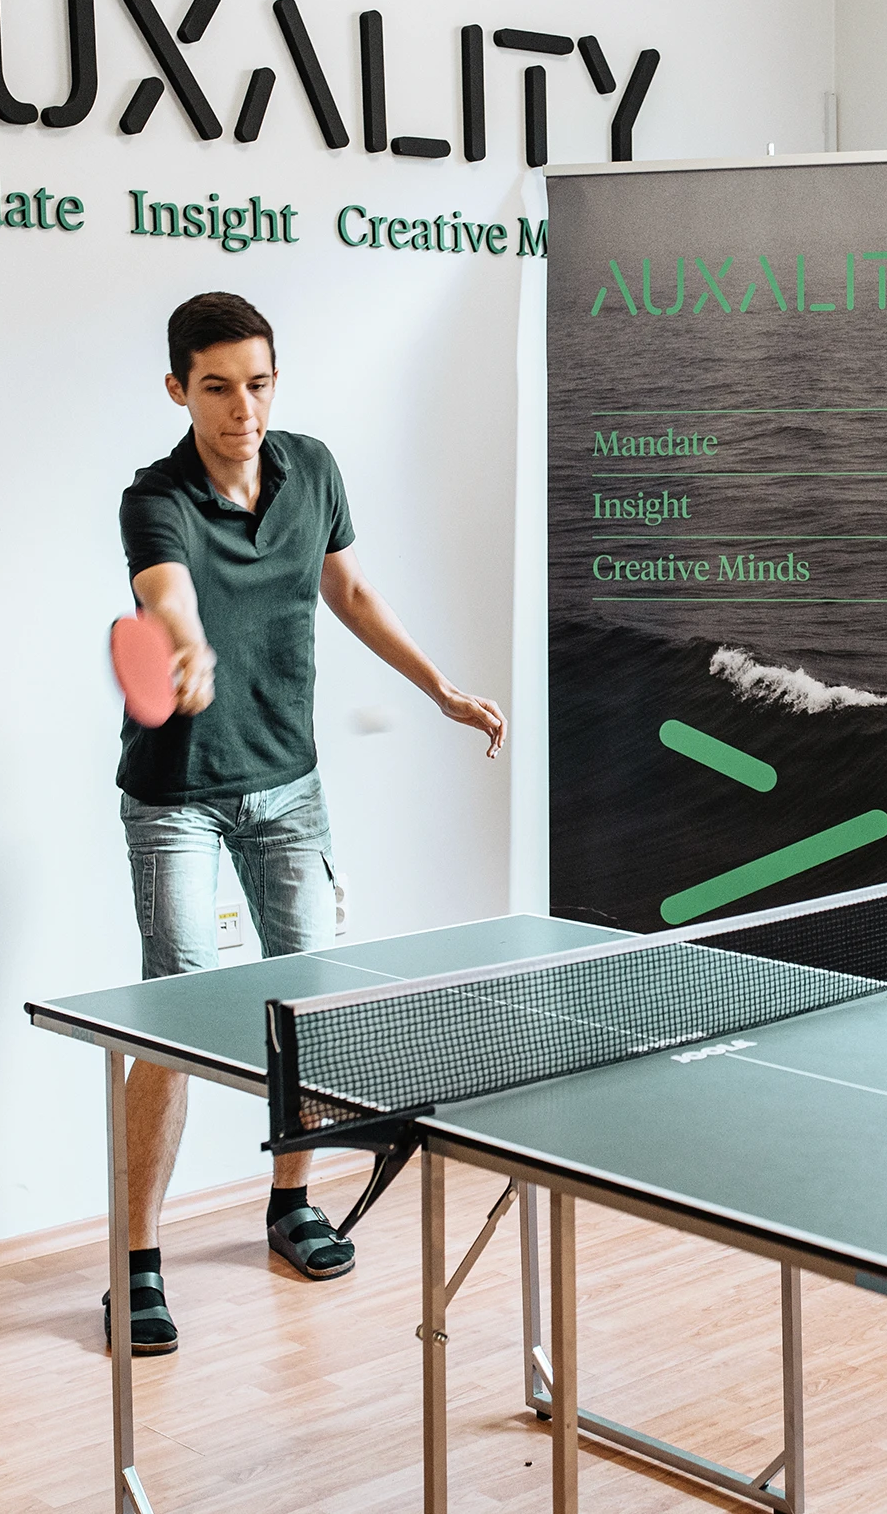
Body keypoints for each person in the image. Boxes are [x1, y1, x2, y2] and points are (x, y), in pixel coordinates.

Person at [103, 291, 506, 1355]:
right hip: (179, 797)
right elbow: (167, 594)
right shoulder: (155, 499)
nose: (243, 408)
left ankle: (291, 1202)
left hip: (289, 786)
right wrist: (185, 644)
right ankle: (135, 1263)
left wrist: (440, 688)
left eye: (259, 383)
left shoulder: (312, 468)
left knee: (305, 1010)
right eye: (218, 387)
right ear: (179, 388)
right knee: (175, 1023)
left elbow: (352, 591)